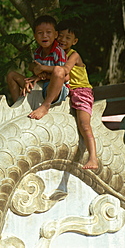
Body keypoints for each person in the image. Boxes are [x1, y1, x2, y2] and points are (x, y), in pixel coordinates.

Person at [33, 19, 98, 169]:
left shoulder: (74, 55)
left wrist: (42, 68)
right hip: (67, 90)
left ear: (74, 41)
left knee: (84, 124)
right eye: (60, 36)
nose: (63, 40)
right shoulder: (55, 53)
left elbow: (65, 70)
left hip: (81, 92)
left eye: (68, 38)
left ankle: (93, 157)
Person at [6, 15, 69, 120]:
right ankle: (19, 106)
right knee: (12, 75)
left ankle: (45, 106)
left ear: (55, 35)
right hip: (39, 85)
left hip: (55, 89)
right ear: (35, 36)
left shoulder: (58, 52)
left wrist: (42, 76)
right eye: (40, 33)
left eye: (48, 32)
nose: (44, 36)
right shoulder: (37, 52)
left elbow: (65, 77)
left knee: (59, 70)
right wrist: (30, 80)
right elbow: (35, 70)